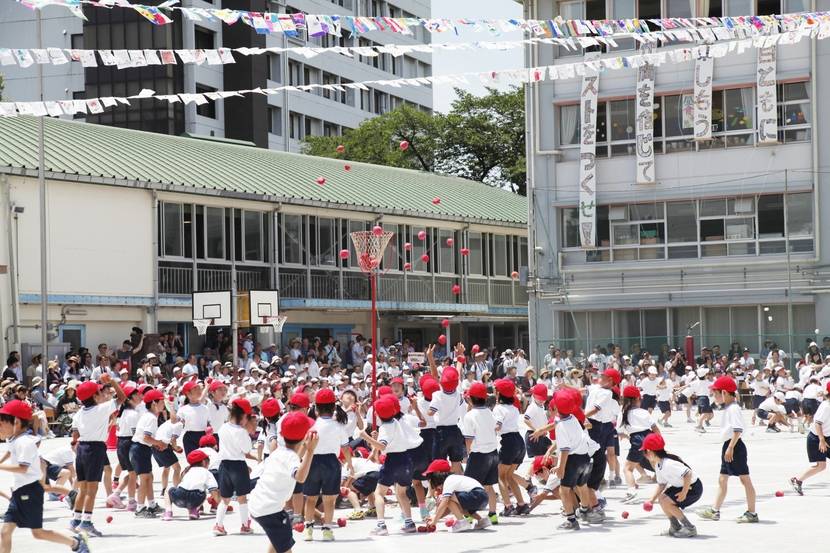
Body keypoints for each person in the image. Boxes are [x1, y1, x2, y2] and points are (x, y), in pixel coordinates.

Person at [0, 400, 90, 553]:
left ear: (15, 422)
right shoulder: (15, 440)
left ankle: (75, 543)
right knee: (5, 532)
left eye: (1, 424)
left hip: (30, 492)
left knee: (38, 533)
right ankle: (76, 542)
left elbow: (23, 468)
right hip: (20, 492)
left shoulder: (25, 442)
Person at [250, 411, 317, 553]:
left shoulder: (279, 452)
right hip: (270, 509)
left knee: (279, 540)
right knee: (285, 545)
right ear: (304, 436)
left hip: (260, 504)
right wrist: (310, 451)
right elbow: (300, 477)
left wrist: (305, 447)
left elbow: (293, 458)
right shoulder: (291, 458)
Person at [70, 376, 126, 536]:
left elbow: (75, 435)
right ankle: (86, 522)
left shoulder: (79, 413)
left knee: (83, 487)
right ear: (94, 396)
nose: (103, 393)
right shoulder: (102, 408)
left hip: (82, 448)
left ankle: (76, 519)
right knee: (92, 489)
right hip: (95, 448)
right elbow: (122, 398)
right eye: (100, 391)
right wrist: (112, 381)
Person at [698, 376, 758, 523]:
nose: (714, 396)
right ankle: (715, 510)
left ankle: (752, 513)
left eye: (715, 393)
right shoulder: (729, 408)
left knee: (745, 480)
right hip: (729, 445)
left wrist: (730, 447)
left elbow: (738, 430)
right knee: (722, 479)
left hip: (735, 446)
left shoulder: (733, 409)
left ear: (724, 392)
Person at [360, 394, 421, 536]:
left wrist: (367, 437)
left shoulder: (386, 427)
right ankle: (409, 522)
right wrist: (377, 439)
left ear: (378, 414)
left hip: (393, 461)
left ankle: (381, 525)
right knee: (401, 493)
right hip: (406, 459)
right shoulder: (396, 422)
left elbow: (382, 446)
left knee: (378, 493)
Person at [302, 389, 351, 541]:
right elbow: (345, 447)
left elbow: (305, 445)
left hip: (313, 461)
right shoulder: (338, 426)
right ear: (333, 408)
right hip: (331, 463)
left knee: (310, 498)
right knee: (329, 499)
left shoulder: (313, 426)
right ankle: (327, 530)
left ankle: (308, 529)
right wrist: (350, 462)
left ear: (316, 409)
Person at [641, 433, 702, 538]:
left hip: (693, 488)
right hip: (681, 486)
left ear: (650, 451)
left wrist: (684, 492)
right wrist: (651, 500)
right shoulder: (659, 464)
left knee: (667, 502)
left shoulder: (668, 464)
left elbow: (688, 474)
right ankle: (675, 526)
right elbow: (662, 484)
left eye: (644, 452)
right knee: (662, 498)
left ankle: (690, 528)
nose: (644, 455)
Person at [214, 398, 257, 536]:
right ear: (243, 416)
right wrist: (247, 433)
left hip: (224, 465)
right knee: (242, 497)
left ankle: (218, 525)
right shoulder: (241, 432)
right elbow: (246, 449)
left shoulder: (223, 427)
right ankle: (245, 525)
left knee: (225, 498)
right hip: (238, 465)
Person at [461, 382, 500, 524]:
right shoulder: (490, 412)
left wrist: (468, 454)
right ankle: (493, 514)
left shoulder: (470, 416)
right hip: (493, 452)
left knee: (469, 485)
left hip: (479, 454)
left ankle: (470, 515)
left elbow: (468, 439)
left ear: (470, 399)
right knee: (489, 486)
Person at [423, 459, 491, 532]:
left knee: (447, 499)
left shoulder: (448, 480)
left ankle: (462, 523)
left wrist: (434, 522)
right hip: (483, 498)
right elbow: (450, 508)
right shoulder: (454, 478)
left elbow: (445, 503)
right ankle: (482, 521)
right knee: (458, 507)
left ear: (437, 474)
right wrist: (435, 518)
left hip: (476, 495)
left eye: (431, 478)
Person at [130, 389, 168, 518]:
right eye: (161, 402)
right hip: (140, 448)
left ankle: (151, 505)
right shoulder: (151, 418)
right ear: (154, 403)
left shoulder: (149, 416)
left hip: (142, 448)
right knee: (145, 478)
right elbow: (146, 438)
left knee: (149, 477)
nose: (163, 405)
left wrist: (156, 444)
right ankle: (140, 508)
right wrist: (159, 443)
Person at [493, 378, 528, 516]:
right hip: (518, 441)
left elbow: (497, 426)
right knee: (509, 475)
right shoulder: (514, 408)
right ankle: (521, 504)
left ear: (499, 393)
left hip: (508, 442)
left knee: (500, 475)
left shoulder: (498, 409)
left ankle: (508, 506)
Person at [618, 386, 659, 503]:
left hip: (637, 440)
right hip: (650, 438)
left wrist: (629, 436)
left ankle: (631, 491)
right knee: (656, 463)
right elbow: (655, 428)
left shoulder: (623, 412)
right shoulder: (644, 412)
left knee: (627, 468)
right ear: (637, 399)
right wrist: (660, 442)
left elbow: (619, 432)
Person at [790, 381, 830, 495]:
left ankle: (797, 480)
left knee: (821, 466)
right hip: (816, 438)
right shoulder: (826, 406)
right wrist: (821, 440)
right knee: (821, 466)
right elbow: (817, 424)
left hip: (826, 437)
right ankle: (797, 480)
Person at [162, 450, 220, 521]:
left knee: (168, 490)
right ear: (204, 462)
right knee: (203, 492)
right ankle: (193, 511)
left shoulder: (187, 471)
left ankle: (168, 512)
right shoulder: (207, 473)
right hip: (195, 499)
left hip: (180, 497)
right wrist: (222, 505)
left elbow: (181, 484)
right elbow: (214, 490)